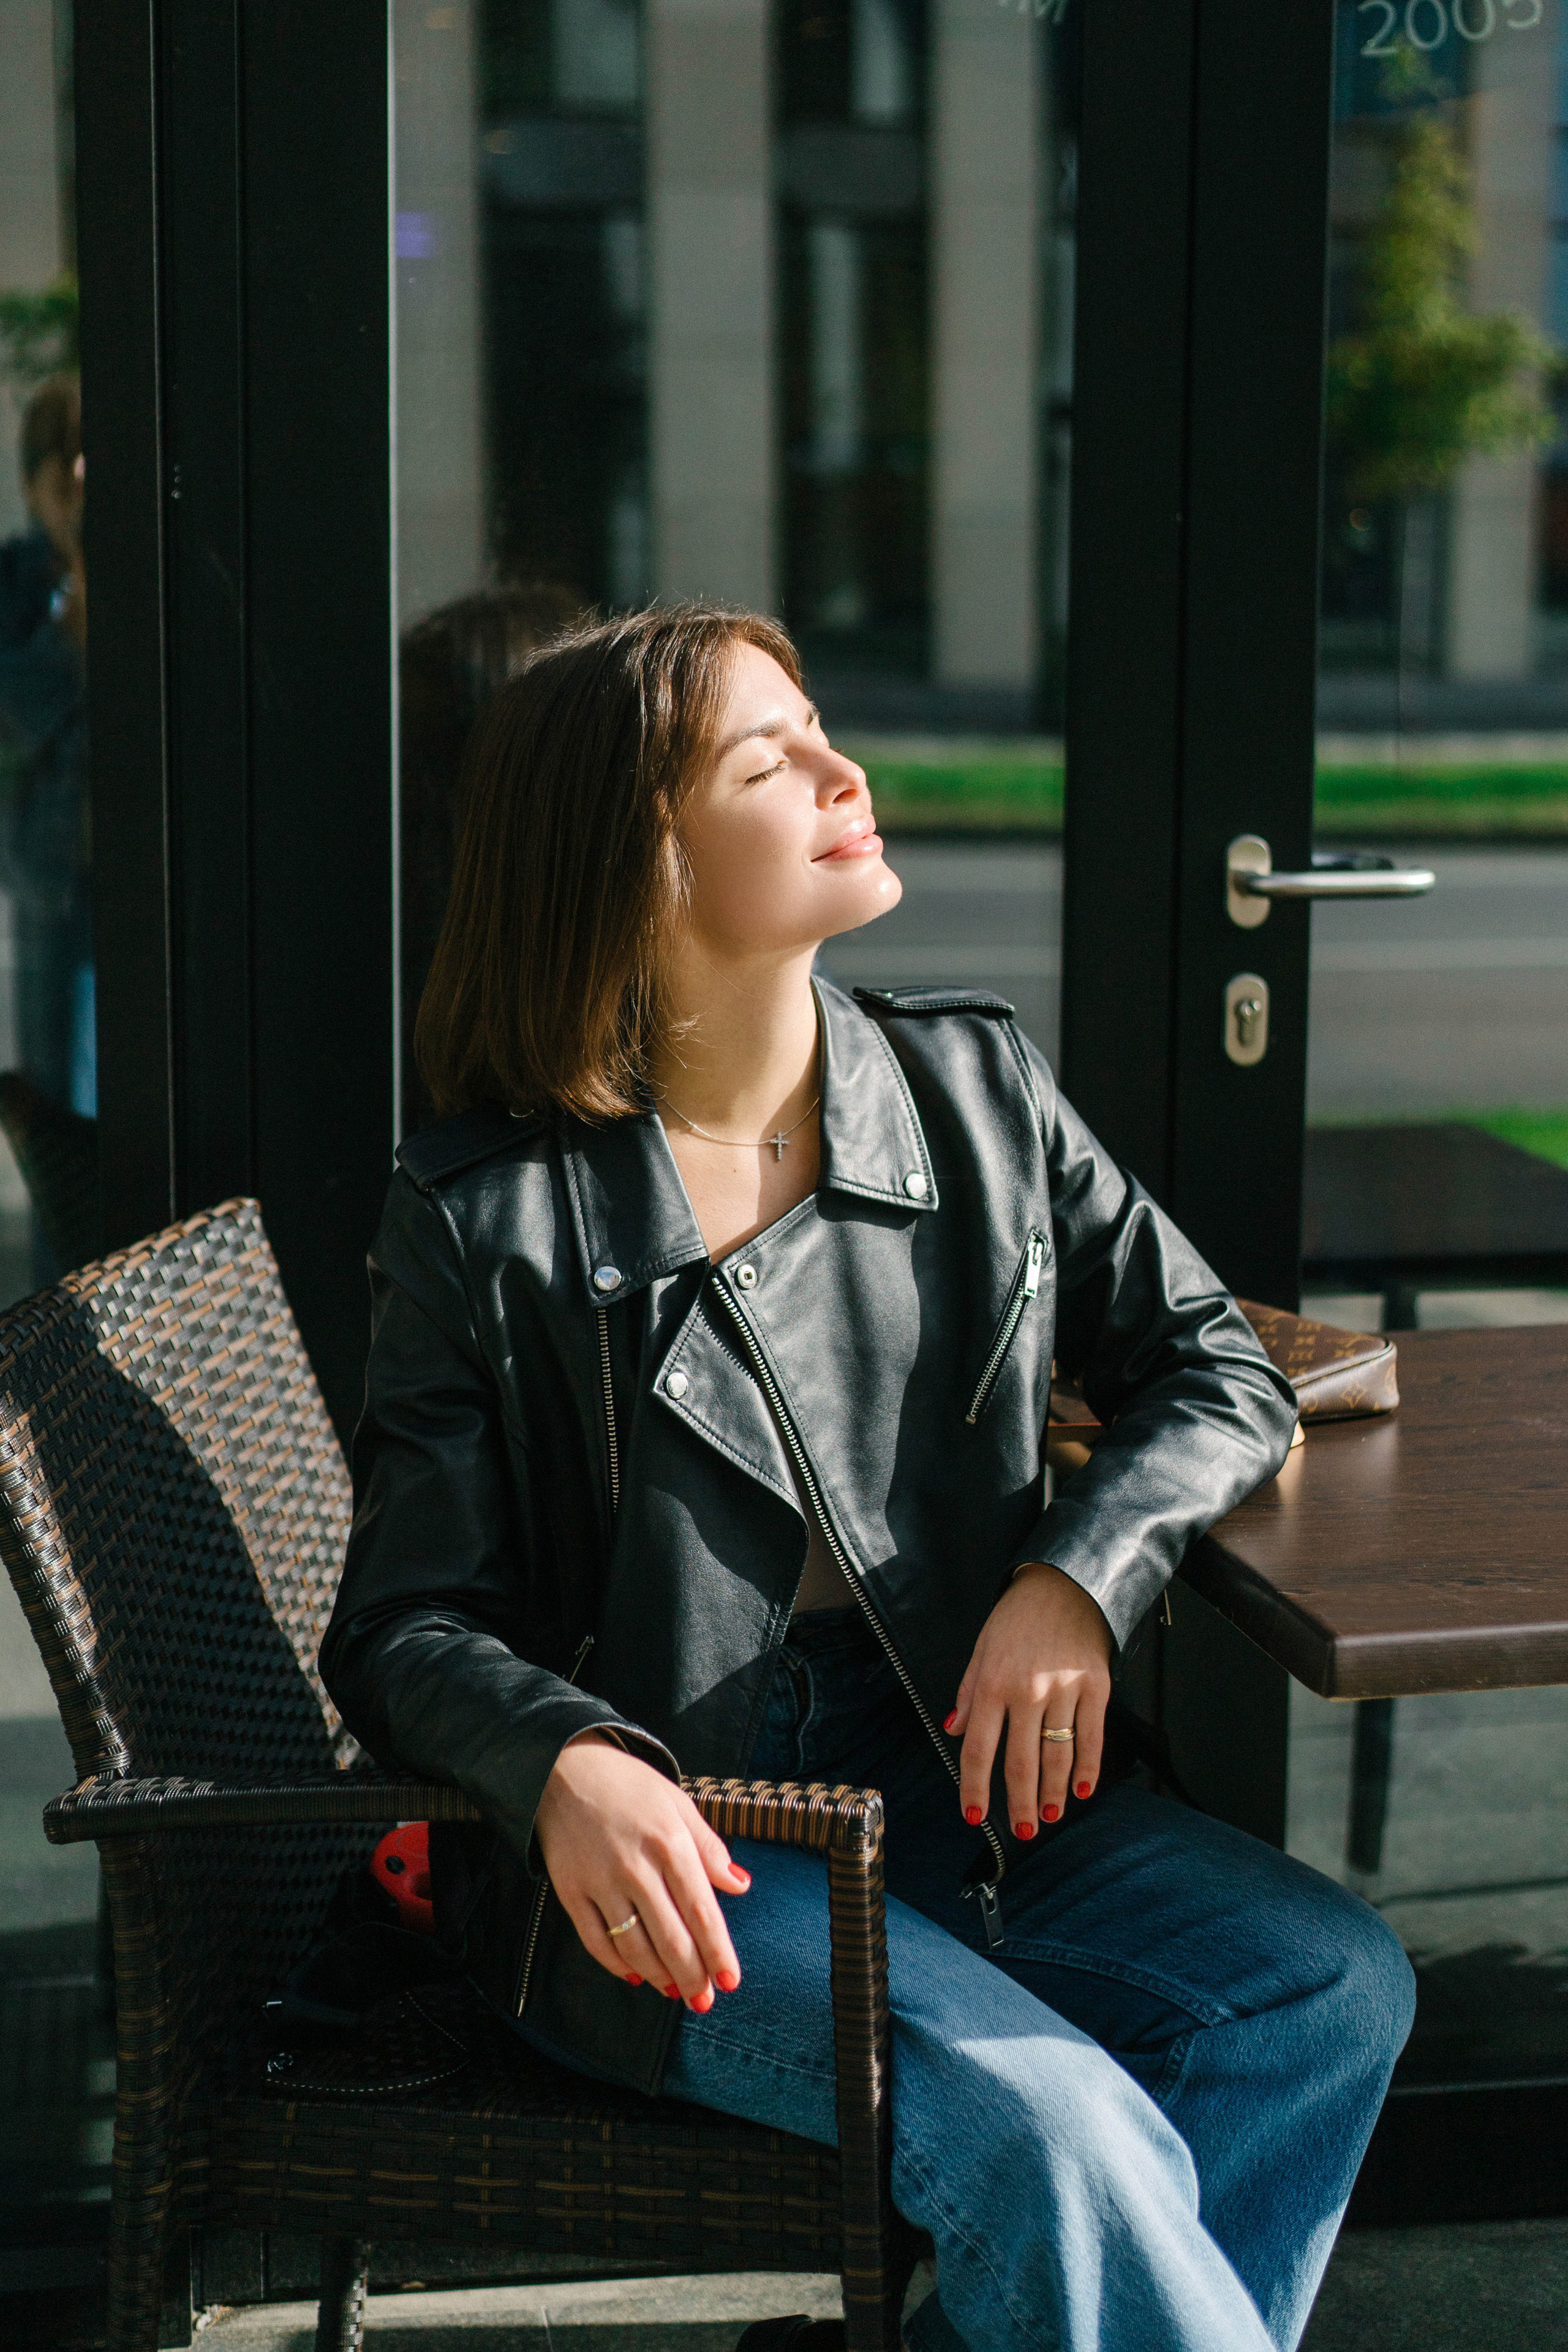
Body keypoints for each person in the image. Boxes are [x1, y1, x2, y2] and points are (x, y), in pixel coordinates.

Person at [322, 603, 1414, 2352]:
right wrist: (567, 1760)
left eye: (822, 725)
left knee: (1323, 1991)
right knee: (1059, 2134)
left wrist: (1080, 1576)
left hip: (966, 1794)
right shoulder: (486, 1219)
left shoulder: (974, 1092)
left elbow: (1213, 1360)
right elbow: (399, 1621)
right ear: (644, 866)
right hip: (693, 1854)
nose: (848, 773)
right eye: (771, 760)